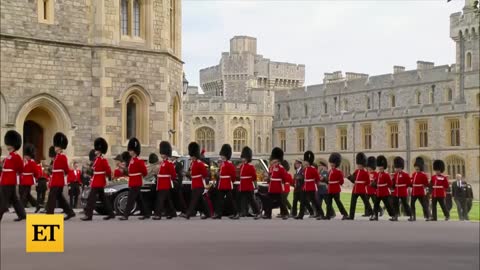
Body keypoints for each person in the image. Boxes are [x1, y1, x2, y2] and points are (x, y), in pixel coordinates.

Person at [82, 138, 115, 221]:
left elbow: (108, 170)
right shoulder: (97, 159)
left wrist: (108, 179)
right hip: (96, 181)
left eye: (96, 150)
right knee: (104, 199)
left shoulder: (103, 160)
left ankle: (89, 215)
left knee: (91, 198)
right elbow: (94, 171)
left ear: (99, 151)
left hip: (99, 182)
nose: (95, 151)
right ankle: (111, 213)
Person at [45, 132, 76, 220]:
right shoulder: (57, 157)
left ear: (59, 147)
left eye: (56, 146)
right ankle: (70, 212)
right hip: (55, 179)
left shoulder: (62, 157)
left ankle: (49, 214)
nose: (55, 148)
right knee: (59, 197)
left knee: (52, 197)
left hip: (58, 180)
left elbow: (66, 169)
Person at [119, 138, 149, 220]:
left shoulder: (139, 161)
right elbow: (129, 172)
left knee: (130, 199)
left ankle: (126, 215)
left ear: (134, 151)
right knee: (139, 199)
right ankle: (146, 214)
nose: (129, 152)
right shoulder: (131, 160)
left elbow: (145, 172)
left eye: (131, 150)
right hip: (132, 181)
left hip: (136, 182)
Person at [0, 130, 26, 222]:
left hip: (8, 180)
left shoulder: (16, 156)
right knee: (14, 199)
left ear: (13, 145)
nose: (7, 146)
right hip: (7, 179)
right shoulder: (9, 156)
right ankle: (22, 214)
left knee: (3, 199)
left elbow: (21, 169)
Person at [180, 142, 210, 219]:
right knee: (201, 200)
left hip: (199, 184)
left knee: (193, 200)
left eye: (192, 156)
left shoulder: (200, 163)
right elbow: (192, 174)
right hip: (195, 183)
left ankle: (188, 214)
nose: (191, 157)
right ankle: (208, 213)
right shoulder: (193, 163)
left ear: (195, 155)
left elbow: (205, 174)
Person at [296, 151, 324, 220]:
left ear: (309, 162)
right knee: (302, 201)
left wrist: (317, 185)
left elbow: (317, 178)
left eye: (306, 161)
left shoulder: (313, 169)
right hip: (305, 187)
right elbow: (303, 177)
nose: (304, 162)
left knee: (314, 201)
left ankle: (321, 214)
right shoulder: (305, 169)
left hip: (311, 187)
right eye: (304, 161)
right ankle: (300, 215)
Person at [153, 141, 177, 220]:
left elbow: (173, 174)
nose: (161, 155)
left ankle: (158, 214)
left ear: (166, 154)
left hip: (165, 183)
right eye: (161, 153)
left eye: (162, 153)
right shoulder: (162, 163)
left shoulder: (169, 163)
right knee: (167, 199)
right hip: (161, 183)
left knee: (160, 199)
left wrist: (171, 181)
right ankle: (172, 213)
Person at [263, 147, 289, 220]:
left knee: (281, 202)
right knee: (269, 201)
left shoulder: (281, 167)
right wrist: (267, 178)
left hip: (277, 187)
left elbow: (285, 177)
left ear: (277, 160)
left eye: (273, 160)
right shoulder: (271, 167)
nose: (272, 161)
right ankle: (268, 214)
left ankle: (285, 213)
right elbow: (270, 175)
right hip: (271, 187)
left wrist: (282, 182)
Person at [213, 144, 238, 219]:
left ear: (226, 155)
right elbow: (221, 173)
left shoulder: (230, 164)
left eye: (223, 155)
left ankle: (236, 213)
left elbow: (233, 176)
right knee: (219, 200)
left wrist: (231, 182)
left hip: (227, 184)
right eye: (221, 155)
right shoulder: (222, 164)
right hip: (221, 184)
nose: (222, 156)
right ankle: (218, 214)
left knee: (230, 200)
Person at [347, 152, 373, 220]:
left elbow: (368, 182)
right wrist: (350, 177)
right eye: (358, 164)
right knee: (353, 203)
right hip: (355, 188)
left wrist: (361, 184)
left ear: (363, 165)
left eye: (360, 164)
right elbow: (353, 179)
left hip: (361, 189)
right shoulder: (356, 171)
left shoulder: (365, 173)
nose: (359, 165)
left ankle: (372, 213)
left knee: (366, 202)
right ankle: (351, 216)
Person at [237, 146, 261, 219]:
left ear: (247, 158)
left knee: (252, 200)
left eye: (243, 157)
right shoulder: (242, 166)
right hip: (243, 185)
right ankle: (243, 212)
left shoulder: (251, 167)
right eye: (242, 157)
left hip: (248, 186)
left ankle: (257, 212)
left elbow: (254, 177)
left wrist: (256, 186)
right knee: (242, 200)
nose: (242, 159)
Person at [370, 155, 395, 221]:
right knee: (376, 205)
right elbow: (376, 181)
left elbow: (390, 183)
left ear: (384, 168)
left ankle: (393, 216)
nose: (380, 169)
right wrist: (373, 184)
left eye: (381, 168)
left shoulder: (386, 175)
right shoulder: (378, 174)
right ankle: (375, 216)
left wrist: (391, 190)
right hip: (378, 192)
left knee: (388, 205)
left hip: (384, 192)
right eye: (379, 168)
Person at [325, 152, 349, 220]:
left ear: (336, 163)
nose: (331, 164)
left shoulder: (338, 171)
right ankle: (328, 215)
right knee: (329, 203)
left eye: (332, 163)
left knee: (338, 202)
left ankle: (345, 214)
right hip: (330, 189)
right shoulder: (330, 171)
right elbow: (328, 180)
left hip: (335, 189)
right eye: (331, 163)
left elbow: (341, 181)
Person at [391, 156, 412, 221]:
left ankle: (411, 215)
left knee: (405, 204)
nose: (396, 169)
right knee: (395, 204)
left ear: (401, 167)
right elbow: (394, 183)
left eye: (398, 167)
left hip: (402, 191)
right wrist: (392, 187)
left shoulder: (405, 175)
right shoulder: (395, 175)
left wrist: (404, 187)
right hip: (396, 191)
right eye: (396, 167)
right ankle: (395, 216)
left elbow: (408, 183)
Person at [409, 157, 430, 221]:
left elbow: (426, 183)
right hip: (414, 191)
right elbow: (412, 182)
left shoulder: (423, 175)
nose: (416, 168)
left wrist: (424, 188)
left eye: (417, 167)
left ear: (420, 167)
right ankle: (413, 216)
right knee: (412, 204)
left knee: (424, 204)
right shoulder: (414, 174)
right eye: (415, 167)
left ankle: (428, 216)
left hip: (420, 191)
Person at [19, 144, 39, 208]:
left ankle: (21, 207)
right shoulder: (24, 162)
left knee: (25, 194)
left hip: (28, 181)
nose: (25, 156)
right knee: (27, 195)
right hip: (23, 180)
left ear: (30, 155)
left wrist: (36, 178)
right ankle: (36, 205)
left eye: (27, 155)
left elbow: (36, 172)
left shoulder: (32, 162)